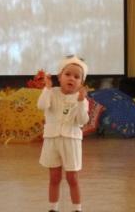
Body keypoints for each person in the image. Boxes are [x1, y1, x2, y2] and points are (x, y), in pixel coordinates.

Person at [37, 55, 90, 212]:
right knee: (54, 177)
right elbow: (41, 105)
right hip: (51, 139)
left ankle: (77, 209)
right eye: (67, 74)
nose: (71, 79)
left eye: (76, 77)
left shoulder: (81, 99)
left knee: (72, 178)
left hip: (71, 141)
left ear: (81, 83)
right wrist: (46, 88)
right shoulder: (51, 93)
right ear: (59, 77)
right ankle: (53, 208)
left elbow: (82, 120)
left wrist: (80, 102)